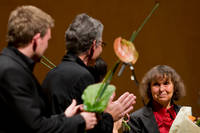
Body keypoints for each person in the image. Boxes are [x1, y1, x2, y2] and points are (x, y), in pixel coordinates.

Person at [0, 5, 97, 133]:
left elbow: (28, 120)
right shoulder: (12, 72)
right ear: (36, 40)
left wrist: (65, 117)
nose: (46, 47)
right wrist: (81, 121)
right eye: (47, 40)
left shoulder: (9, 64)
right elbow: (36, 128)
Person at [42, 13, 136, 133]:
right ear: (93, 46)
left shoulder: (50, 75)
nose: (101, 49)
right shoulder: (83, 77)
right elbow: (92, 128)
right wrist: (111, 116)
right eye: (101, 44)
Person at [127, 65, 186, 133]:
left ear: (174, 86)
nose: (161, 89)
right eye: (156, 84)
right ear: (149, 89)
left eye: (166, 83)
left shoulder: (184, 114)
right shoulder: (136, 119)